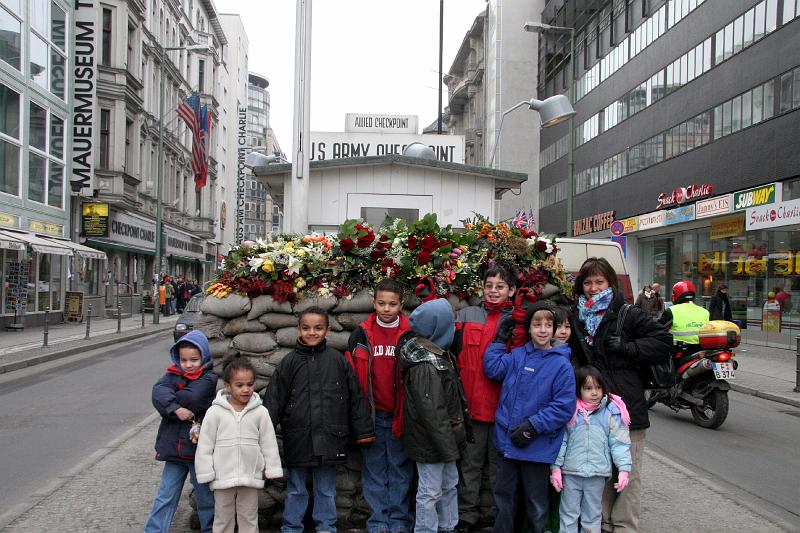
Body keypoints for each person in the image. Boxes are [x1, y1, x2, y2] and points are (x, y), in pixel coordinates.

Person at [567, 257, 672, 533]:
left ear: (610, 283)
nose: (592, 288)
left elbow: (663, 342)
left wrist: (628, 347)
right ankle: (599, 524)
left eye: (599, 281)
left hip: (627, 410)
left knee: (627, 473)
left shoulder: (627, 313)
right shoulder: (577, 316)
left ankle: (624, 526)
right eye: (587, 282)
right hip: (591, 409)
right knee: (597, 470)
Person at [265, 307, 375, 533]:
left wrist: (363, 431)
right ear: (298, 330)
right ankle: (292, 527)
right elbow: (274, 399)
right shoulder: (289, 363)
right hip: (298, 438)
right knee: (296, 488)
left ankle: (326, 527)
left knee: (326, 489)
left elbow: (355, 397)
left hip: (330, 439)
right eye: (306, 328)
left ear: (327, 330)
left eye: (318, 328)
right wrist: (261, 434)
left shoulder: (337, 361)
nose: (312, 333)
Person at [484, 302, 577, 533]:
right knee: (504, 498)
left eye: (548, 325)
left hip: (536, 445)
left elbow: (564, 406)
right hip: (508, 441)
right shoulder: (517, 356)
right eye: (537, 324)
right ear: (529, 328)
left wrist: (533, 426)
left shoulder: (561, 364)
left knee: (535, 503)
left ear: (554, 329)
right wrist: (498, 341)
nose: (543, 330)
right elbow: (493, 368)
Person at [346, 279, 414, 533]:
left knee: (400, 471)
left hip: (400, 417)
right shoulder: (361, 334)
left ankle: (399, 522)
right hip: (372, 417)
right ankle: (378, 523)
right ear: (374, 303)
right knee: (374, 472)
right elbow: (352, 376)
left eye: (392, 304)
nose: (386, 309)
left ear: (401, 305)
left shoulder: (410, 333)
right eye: (381, 303)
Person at [451, 267, 516, 533]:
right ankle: (466, 515)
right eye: (489, 285)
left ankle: (498, 517)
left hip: (503, 410)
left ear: (511, 290)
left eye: (500, 286)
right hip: (472, 408)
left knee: (499, 471)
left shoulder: (518, 321)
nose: (493, 290)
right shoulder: (466, 315)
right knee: (470, 466)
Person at [398, 298, 469, 533]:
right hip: (432, 443)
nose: (455, 326)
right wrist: (449, 448)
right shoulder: (425, 366)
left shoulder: (440, 355)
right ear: (438, 328)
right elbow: (433, 414)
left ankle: (448, 526)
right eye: (452, 322)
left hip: (445, 440)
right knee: (430, 491)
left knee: (450, 485)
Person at [195, 358, 283, 533]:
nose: (246, 389)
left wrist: (272, 468)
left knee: (249, 517)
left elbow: (269, 443)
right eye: (239, 385)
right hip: (222, 476)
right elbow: (205, 444)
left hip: (249, 474)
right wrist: (206, 471)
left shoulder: (260, 412)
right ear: (228, 386)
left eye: (249, 384)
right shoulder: (215, 412)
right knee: (223, 517)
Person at [144, 330, 218, 533]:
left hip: (197, 452)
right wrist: (175, 409)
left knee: (205, 497)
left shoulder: (208, 378)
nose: (188, 364)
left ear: (203, 357)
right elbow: (156, 392)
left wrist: (170, 401)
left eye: (194, 359)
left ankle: (210, 529)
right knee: (165, 495)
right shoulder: (171, 375)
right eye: (184, 360)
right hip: (174, 450)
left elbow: (192, 398)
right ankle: (154, 530)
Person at [550, 366, 632, 533]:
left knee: (592, 515)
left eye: (598, 387)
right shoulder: (571, 411)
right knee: (568, 514)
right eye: (588, 388)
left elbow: (619, 443)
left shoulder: (611, 411)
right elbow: (561, 442)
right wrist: (556, 468)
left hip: (597, 473)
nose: (594, 392)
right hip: (571, 472)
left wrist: (624, 469)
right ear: (578, 390)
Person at [659, 281, 710, 358]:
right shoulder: (705, 311)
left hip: (679, 353)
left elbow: (658, 329)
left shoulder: (671, 311)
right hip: (702, 350)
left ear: (676, 294)